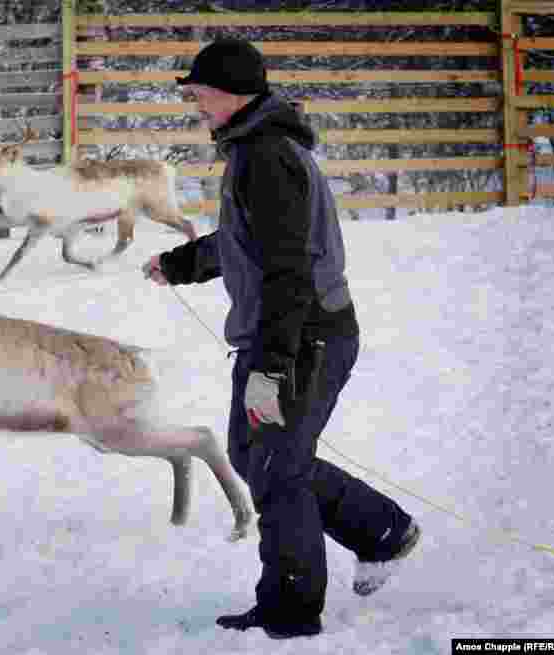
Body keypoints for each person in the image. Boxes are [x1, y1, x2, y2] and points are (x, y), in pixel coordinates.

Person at [143, 37, 421, 639]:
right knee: (258, 456)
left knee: (274, 468)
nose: (192, 102)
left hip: (305, 336)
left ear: (228, 92)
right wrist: (181, 263)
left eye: (197, 92)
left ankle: (290, 611)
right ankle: (383, 530)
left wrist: (272, 366)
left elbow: (288, 269)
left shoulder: (266, 155)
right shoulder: (254, 150)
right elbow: (251, 241)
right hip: (294, 332)